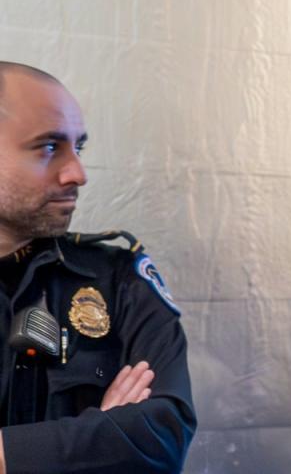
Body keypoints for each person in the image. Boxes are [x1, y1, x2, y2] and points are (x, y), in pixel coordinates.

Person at [0, 62, 195, 473]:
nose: (78, 173)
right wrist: (101, 434)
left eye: (78, 148)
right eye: (49, 147)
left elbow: (163, 436)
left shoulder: (119, 279)